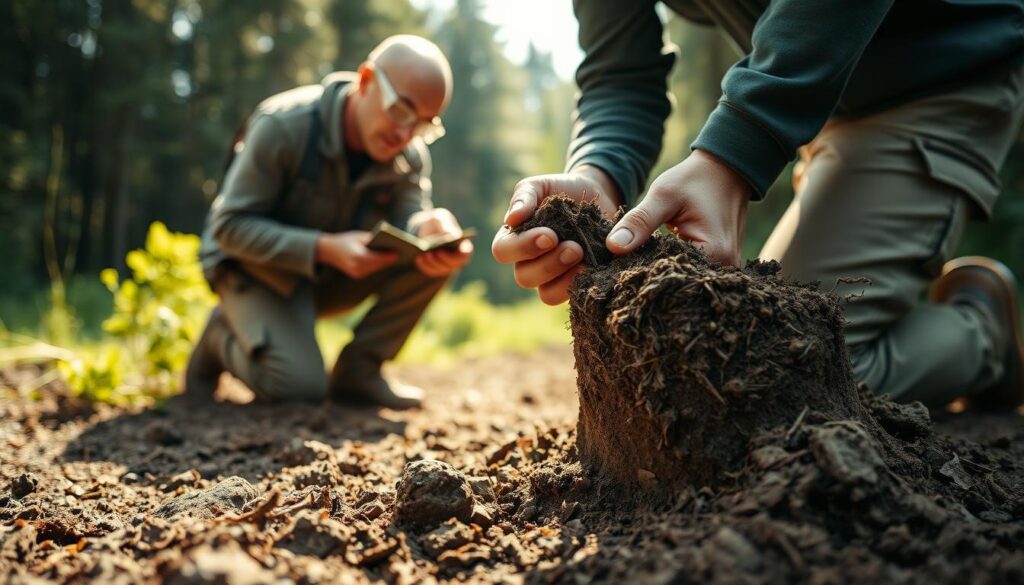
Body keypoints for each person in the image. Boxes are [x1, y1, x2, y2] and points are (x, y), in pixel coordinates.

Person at [493, 1, 1024, 410]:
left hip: (937, 75)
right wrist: (596, 173)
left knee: (805, 375)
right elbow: (618, 74)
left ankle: (982, 333)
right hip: (826, 101)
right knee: (758, 358)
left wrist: (735, 150)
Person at [185, 35, 471, 409]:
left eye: (423, 124)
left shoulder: (409, 155)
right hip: (252, 270)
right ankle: (220, 335)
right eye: (400, 111)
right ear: (366, 80)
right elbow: (229, 227)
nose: (405, 134)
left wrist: (429, 229)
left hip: (328, 274)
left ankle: (359, 372)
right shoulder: (284, 126)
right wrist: (324, 248)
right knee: (298, 388)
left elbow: (410, 214)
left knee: (434, 260)